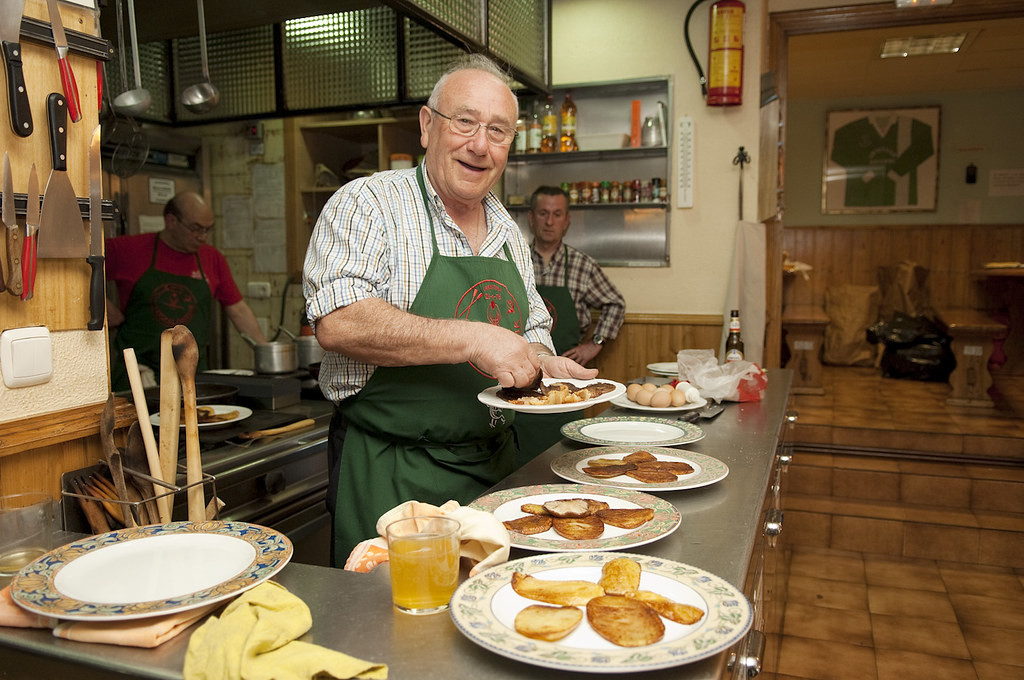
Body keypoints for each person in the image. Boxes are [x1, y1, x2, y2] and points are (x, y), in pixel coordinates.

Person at [303, 53, 598, 566]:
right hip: (392, 473)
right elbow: (339, 321)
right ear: (426, 125)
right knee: (393, 614)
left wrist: (543, 360)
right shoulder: (369, 204)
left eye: (498, 131)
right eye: (465, 122)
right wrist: (475, 338)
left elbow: (530, 324)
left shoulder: (508, 230)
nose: (480, 145)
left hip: (493, 471)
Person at [105, 191, 268, 392]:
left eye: (207, 230)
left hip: (193, 376)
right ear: (171, 221)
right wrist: (103, 307)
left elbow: (238, 310)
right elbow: (79, 268)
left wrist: (266, 353)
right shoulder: (128, 249)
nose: (203, 237)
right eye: (196, 229)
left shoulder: (212, 258)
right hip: (141, 375)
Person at [513, 185, 626, 463]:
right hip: (520, 383)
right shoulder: (514, 262)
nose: (549, 221)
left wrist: (595, 344)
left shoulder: (582, 265)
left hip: (567, 386)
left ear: (567, 220)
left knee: (567, 460)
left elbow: (616, 303)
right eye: (543, 213)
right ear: (531, 218)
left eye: (557, 214)